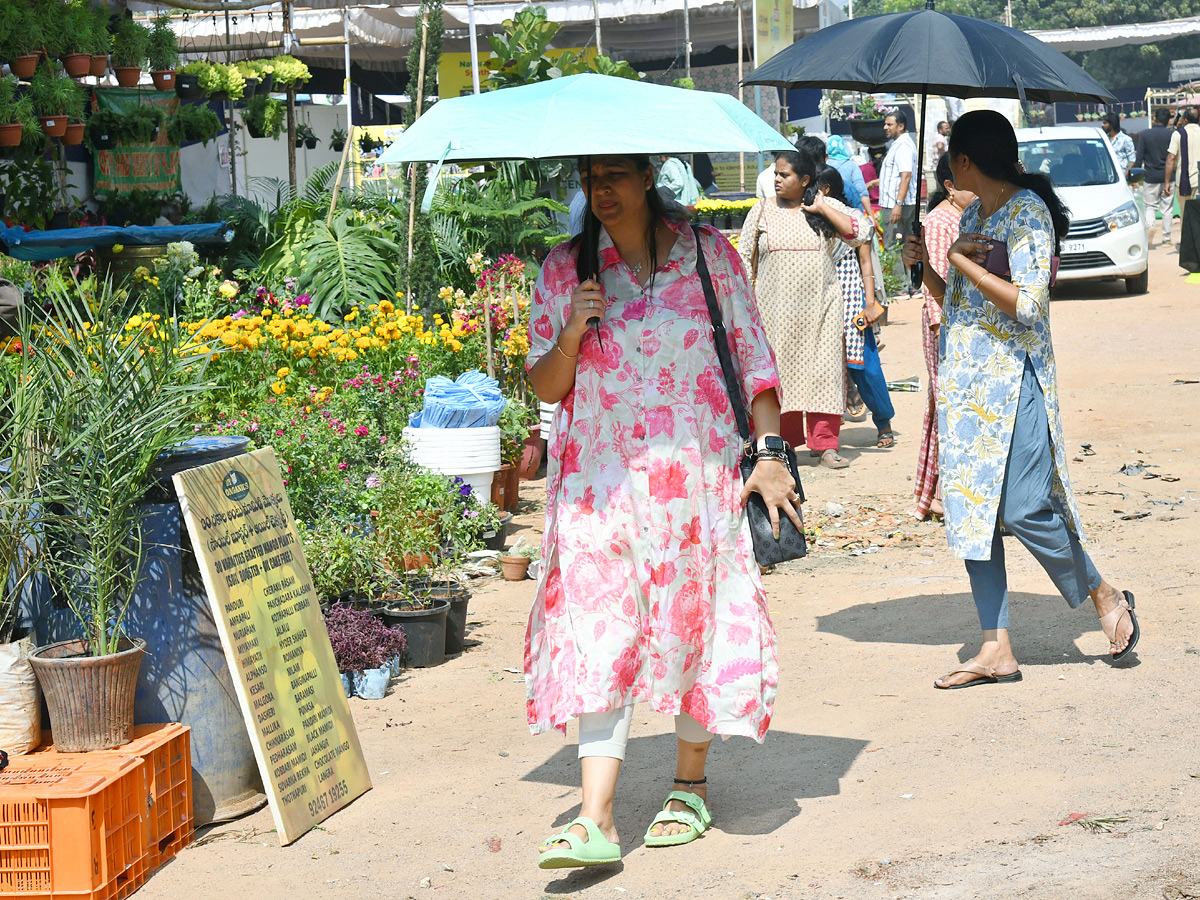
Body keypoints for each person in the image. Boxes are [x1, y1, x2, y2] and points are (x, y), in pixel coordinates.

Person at [526, 154, 799, 867]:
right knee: (599, 632)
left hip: (696, 486)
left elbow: (753, 359)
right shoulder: (564, 270)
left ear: (648, 177)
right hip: (596, 488)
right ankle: (596, 819)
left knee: (693, 625)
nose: (602, 190)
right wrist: (571, 334)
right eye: (591, 178)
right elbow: (548, 386)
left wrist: (769, 453)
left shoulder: (709, 257)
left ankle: (688, 786)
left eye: (616, 174)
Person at [902, 110, 1139, 689]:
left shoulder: (1028, 214)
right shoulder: (976, 215)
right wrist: (926, 269)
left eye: (950, 162)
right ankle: (995, 648)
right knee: (974, 515)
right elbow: (958, 301)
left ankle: (1102, 590)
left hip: (1014, 382)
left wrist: (958, 259)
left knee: (1022, 508)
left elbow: (1030, 305)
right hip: (966, 388)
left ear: (964, 161)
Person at [739, 147, 871, 469]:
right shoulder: (761, 211)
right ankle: (783, 446)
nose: (777, 180)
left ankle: (825, 446)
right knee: (778, 378)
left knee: (824, 374)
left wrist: (823, 208)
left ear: (805, 179)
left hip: (821, 310)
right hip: (773, 312)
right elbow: (743, 258)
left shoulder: (824, 208)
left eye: (784, 175)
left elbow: (862, 232)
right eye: (776, 174)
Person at [911, 154, 976, 521]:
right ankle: (940, 494)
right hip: (944, 323)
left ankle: (939, 491)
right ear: (950, 187)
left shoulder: (969, 216)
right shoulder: (938, 222)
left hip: (966, 322)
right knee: (950, 406)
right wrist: (941, 325)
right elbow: (934, 278)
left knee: (951, 405)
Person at [816, 166, 894, 449]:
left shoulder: (854, 220)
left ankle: (883, 422)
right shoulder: (811, 219)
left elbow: (866, 264)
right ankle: (826, 438)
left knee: (865, 366)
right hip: (821, 298)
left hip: (851, 298)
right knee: (824, 368)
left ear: (824, 190)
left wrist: (870, 303)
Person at [872, 110, 918, 257]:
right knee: (903, 246)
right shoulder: (899, 144)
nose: (885, 127)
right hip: (898, 203)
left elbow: (906, 176)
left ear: (900, 126)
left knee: (893, 246)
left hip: (896, 205)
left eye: (889, 124)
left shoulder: (903, 146)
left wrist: (898, 205)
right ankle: (905, 279)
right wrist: (875, 183)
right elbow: (897, 176)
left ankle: (899, 280)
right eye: (885, 124)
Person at [1136, 107, 1176, 247]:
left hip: (1150, 176)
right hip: (1169, 177)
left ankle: (1151, 226)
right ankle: (1166, 237)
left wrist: (1135, 176)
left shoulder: (1145, 135)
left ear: (1154, 119)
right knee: (1167, 209)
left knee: (1150, 207)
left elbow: (1139, 157)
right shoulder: (1172, 135)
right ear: (1168, 121)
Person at [1165, 108, 1200, 228]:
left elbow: (1171, 158)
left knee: (1185, 215)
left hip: (1185, 182)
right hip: (1198, 179)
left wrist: (1167, 181)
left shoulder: (1178, 134)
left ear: (1185, 120)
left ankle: (1188, 244)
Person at [826, 135, 872, 218]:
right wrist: (870, 215)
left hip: (827, 209)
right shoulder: (851, 165)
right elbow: (862, 191)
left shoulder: (823, 166)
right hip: (849, 211)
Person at [1100, 112, 1135, 180]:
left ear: (1111, 125)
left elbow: (1132, 160)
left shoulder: (1125, 140)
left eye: (1105, 123)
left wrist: (1124, 177)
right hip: (1105, 178)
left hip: (1120, 177)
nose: (1102, 125)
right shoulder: (1104, 139)